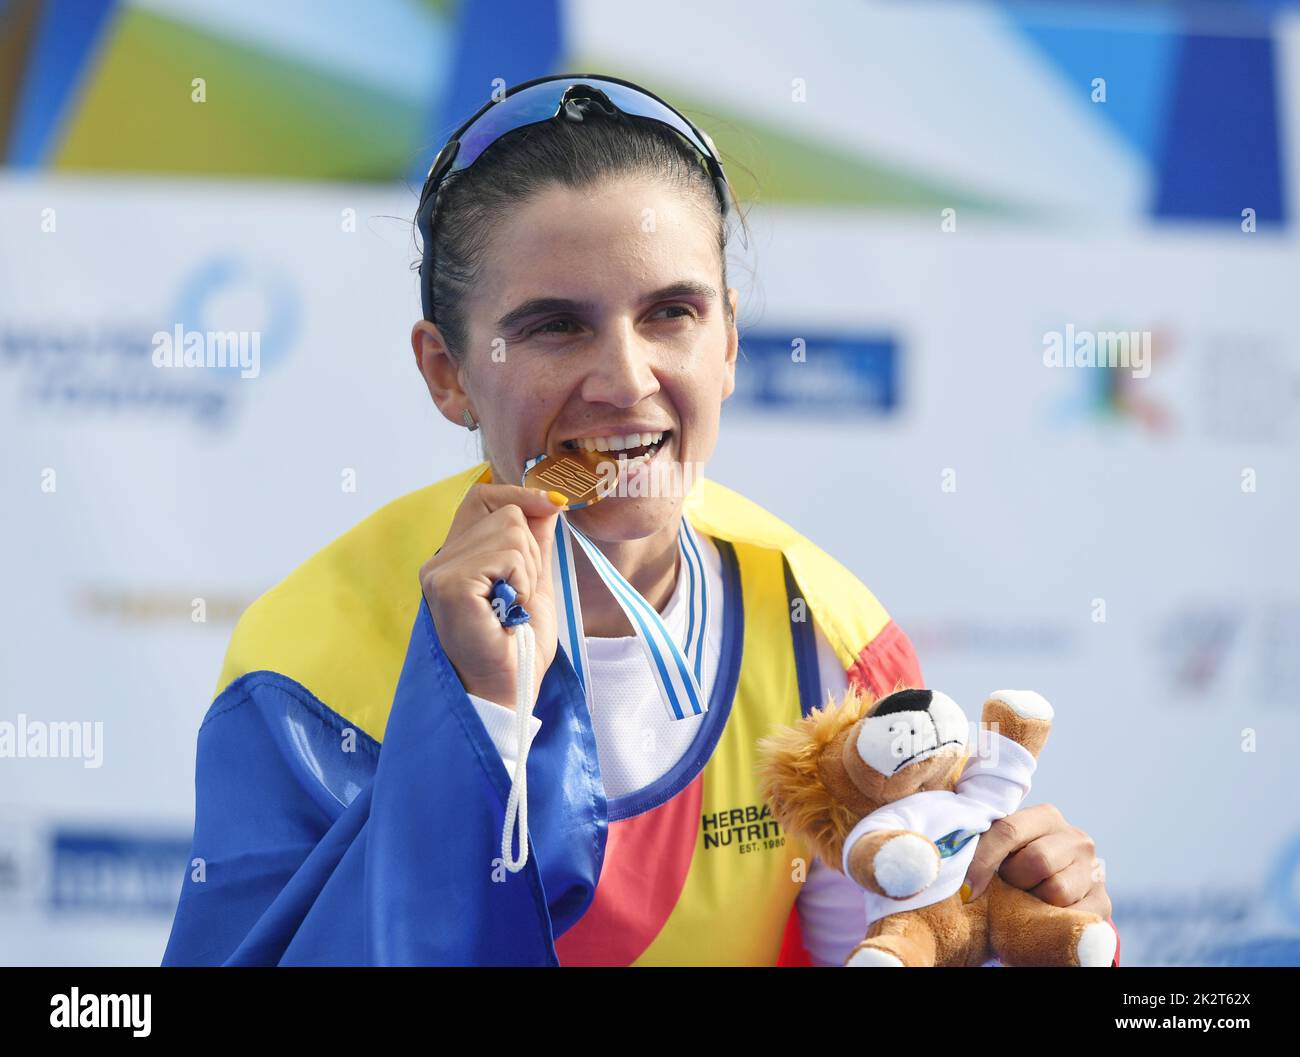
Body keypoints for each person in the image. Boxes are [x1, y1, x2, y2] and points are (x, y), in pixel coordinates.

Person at [161, 74, 1117, 966]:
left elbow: (882, 943)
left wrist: (993, 924)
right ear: (446, 372)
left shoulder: (825, 631)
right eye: (554, 325)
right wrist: (481, 723)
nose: (625, 381)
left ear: (730, 341)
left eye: (670, 313)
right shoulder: (303, 669)